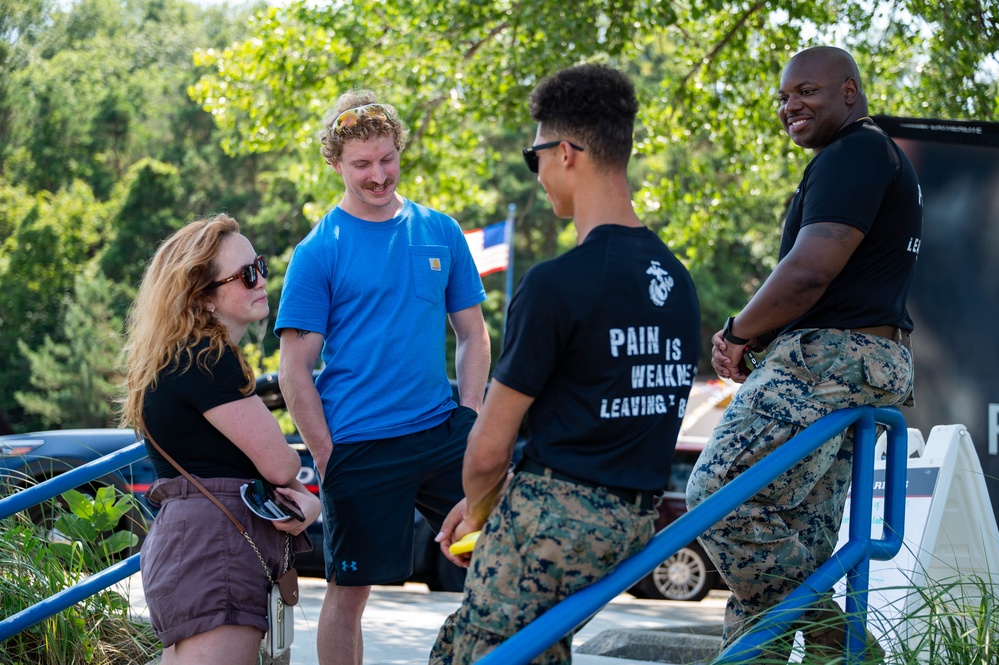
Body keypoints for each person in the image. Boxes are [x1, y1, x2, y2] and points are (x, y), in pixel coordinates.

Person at [429, 64, 701, 664]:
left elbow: (486, 451)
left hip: (555, 519)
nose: (538, 175)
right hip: (632, 521)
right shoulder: (677, 282)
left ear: (569, 152)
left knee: (466, 655)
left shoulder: (556, 283)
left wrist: (479, 515)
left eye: (536, 157)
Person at [685, 46, 922, 660]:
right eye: (784, 97)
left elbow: (810, 271)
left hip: (833, 362)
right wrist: (760, 334)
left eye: (806, 92)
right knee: (789, 535)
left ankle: (846, 645)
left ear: (849, 91)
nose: (791, 105)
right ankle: (816, 652)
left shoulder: (855, 152)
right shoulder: (865, 157)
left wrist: (739, 332)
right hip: (864, 362)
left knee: (718, 496)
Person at [275, 91, 491, 665]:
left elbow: (473, 333)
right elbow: (294, 368)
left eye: (387, 158)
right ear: (337, 165)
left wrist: (469, 418)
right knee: (349, 596)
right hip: (359, 445)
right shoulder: (318, 250)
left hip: (443, 434)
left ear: (400, 151)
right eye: (362, 164)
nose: (378, 175)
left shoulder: (439, 231)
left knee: (503, 551)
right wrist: (327, 455)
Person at [119, 214, 322, 664]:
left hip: (200, 544)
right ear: (203, 298)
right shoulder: (206, 360)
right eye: (245, 275)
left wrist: (299, 501)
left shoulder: (179, 358)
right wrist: (301, 494)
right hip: (216, 551)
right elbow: (282, 465)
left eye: (261, 266)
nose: (261, 281)